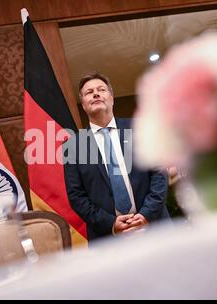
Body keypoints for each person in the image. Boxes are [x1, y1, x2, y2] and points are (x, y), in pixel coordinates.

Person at [63, 73, 171, 242]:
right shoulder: (74, 146)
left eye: (101, 90)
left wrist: (145, 215)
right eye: (89, 92)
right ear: (83, 104)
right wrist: (110, 223)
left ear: (112, 98)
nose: (96, 94)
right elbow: (76, 196)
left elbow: (159, 174)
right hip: (108, 238)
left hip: (155, 227)